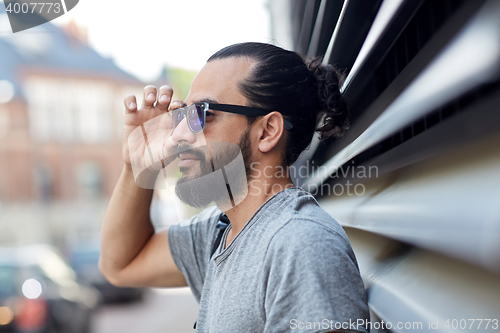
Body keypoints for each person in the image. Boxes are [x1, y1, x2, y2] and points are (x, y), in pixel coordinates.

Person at [99, 42, 370, 333]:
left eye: (203, 113)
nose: (178, 135)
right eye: (183, 114)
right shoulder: (220, 232)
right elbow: (120, 265)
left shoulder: (300, 245)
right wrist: (138, 167)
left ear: (267, 131)